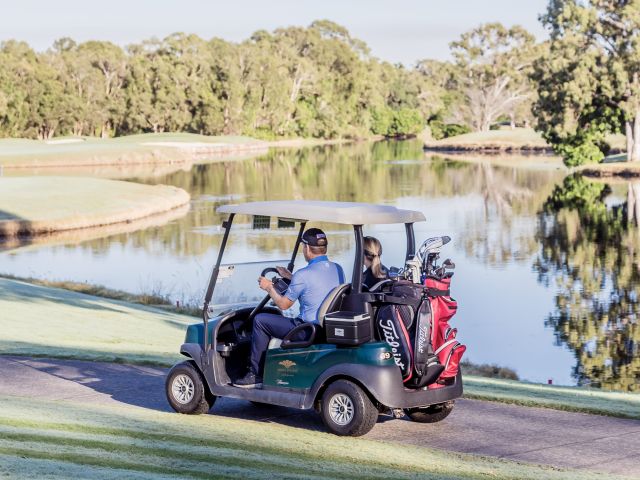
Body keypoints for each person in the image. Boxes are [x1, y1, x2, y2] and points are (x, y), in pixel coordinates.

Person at [235, 228, 345, 387]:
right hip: (326, 328)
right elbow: (315, 286)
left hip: (307, 331)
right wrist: (290, 278)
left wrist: (269, 287)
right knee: (272, 319)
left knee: (260, 320)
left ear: (307, 248)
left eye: (303, 247)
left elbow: (283, 305)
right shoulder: (337, 269)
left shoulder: (303, 274)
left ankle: (255, 375)